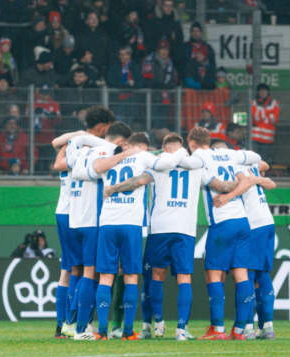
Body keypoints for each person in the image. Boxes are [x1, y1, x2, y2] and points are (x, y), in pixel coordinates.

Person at [103, 132, 203, 341]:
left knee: (156, 277)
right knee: (184, 278)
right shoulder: (197, 164)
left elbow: (138, 181)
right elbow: (219, 184)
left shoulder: (157, 165)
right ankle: (181, 330)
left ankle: (157, 324)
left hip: (159, 229)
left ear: (164, 149)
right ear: (183, 146)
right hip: (185, 230)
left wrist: (113, 188)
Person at [178, 127, 263, 340]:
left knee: (213, 274)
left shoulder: (198, 156)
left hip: (222, 221)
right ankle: (240, 330)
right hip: (243, 222)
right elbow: (256, 157)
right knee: (241, 273)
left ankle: (218, 330)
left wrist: (224, 196)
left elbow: (183, 165)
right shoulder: (230, 153)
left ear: (192, 142)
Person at [67, 121, 138, 340]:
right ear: (122, 142)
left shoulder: (83, 151)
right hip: (95, 219)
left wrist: (81, 137)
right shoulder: (113, 153)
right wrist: (126, 154)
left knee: (77, 272)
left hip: (74, 217)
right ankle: (80, 328)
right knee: (94, 273)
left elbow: (72, 167)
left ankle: (74, 324)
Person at [50, 106, 115, 339]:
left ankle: (64, 325)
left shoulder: (73, 147)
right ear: (102, 126)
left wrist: (74, 137)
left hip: (66, 211)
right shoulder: (97, 150)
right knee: (86, 270)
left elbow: (56, 152)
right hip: (78, 213)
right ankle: (76, 323)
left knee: (69, 270)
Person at [212, 153, 278, 340]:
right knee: (262, 274)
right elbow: (267, 170)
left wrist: (228, 196)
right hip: (267, 222)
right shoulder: (252, 165)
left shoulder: (233, 165)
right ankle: (267, 327)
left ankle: (247, 327)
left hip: (254, 224)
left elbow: (245, 182)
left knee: (245, 273)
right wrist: (258, 174)